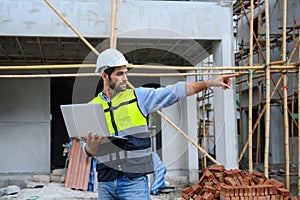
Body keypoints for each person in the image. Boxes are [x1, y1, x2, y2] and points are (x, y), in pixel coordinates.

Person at [80, 48, 237, 200]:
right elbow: (87, 150)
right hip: (105, 183)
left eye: (125, 73)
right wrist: (91, 147)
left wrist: (210, 83)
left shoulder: (138, 97)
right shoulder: (92, 107)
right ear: (105, 76)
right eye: (119, 74)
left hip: (134, 183)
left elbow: (175, 91)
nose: (125, 79)